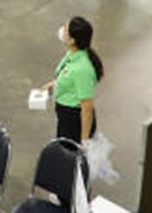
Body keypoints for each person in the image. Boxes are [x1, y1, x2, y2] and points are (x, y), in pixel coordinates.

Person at [39, 16, 104, 145]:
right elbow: (68, 76)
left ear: (73, 40)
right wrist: (54, 85)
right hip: (65, 118)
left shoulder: (83, 69)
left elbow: (87, 108)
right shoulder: (73, 54)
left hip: (74, 124)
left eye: (65, 30)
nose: (62, 30)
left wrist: (84, 141)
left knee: (68, 153)